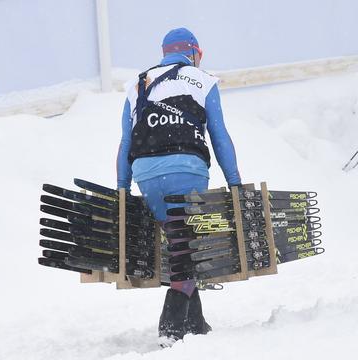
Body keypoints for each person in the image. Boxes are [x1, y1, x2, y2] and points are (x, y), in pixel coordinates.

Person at [116, 28, 242, 341]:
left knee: (180, 243)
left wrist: (122, 187)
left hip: (146, 174)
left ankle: (196, 326)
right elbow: (219, 134)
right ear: (194, 53)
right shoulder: (204, 80)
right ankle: (170, 329)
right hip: (187, 170)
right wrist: (235, 183)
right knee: (185, 243)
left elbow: (125, 142)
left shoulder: (138, 85)